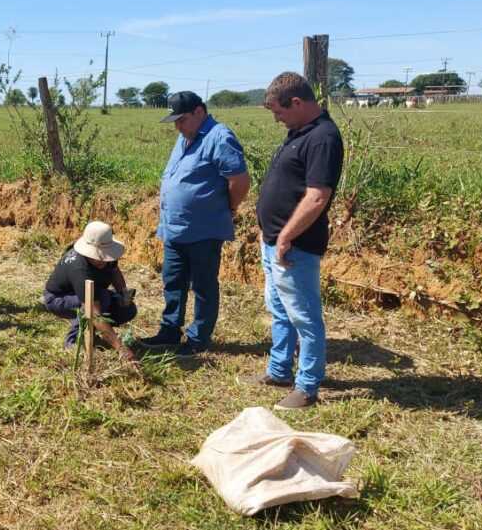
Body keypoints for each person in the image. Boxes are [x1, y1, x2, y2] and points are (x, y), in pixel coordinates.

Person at [246, 72, 344, 411]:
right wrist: (269, 230)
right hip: (275, 242)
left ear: (298, 103)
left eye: (279, 111)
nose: (276, 118)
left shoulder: (323, 138)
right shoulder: (298, 132)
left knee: (304, 315)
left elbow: (317, 196)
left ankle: (307, 388)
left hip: (295, 246)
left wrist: (286, 236)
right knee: (279, 311)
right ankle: (278, 370)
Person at [137, 91, 250, 358]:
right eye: (175, 121)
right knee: (173, 281)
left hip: (203, 229)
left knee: (203, 285)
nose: (178, 125)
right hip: (175, 228)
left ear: (200, 112)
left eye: (182, 119)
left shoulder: (219, 137)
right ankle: (169, 331)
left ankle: (198, 339)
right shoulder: (185, 137)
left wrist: (230, 208)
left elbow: (239, 181)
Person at [43, 222, 138, 364]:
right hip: (58, 299)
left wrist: (123, 294)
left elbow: (115, 272)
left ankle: (94, 332)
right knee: (102, 299)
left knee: (128, 310)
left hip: (94, 294)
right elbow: (94, 313)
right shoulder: (79, 269)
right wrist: (121, 348)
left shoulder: (108, 257)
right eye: (97, 256)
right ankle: (74, 341)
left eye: (104, 256)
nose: (101, 260)